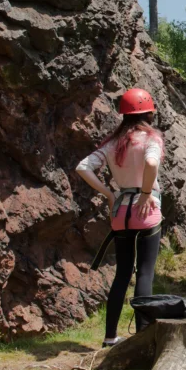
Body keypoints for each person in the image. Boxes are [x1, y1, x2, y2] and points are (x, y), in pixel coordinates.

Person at [76, 88, 165, 348]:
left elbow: (82, 167)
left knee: (122, 274)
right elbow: (150, 164)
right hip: (145, 209)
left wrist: (108, 194)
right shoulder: (151, 138)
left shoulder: (113, 142)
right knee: (145, 273)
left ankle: (109, 337)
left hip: (121, 211)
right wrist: (147, 193)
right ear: (149, 112)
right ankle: (143, 336)